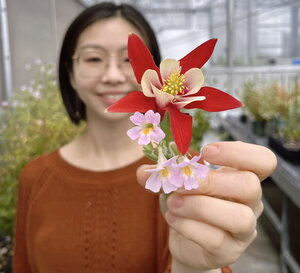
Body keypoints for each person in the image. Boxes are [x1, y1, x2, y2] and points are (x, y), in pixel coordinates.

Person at [12, 2, 277, 273]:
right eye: (93, 58)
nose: (113, 76)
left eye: (128, 59)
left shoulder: (180, 178)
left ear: (155, 71)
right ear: (69, 74)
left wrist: (195, 267)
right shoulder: (35, 177)